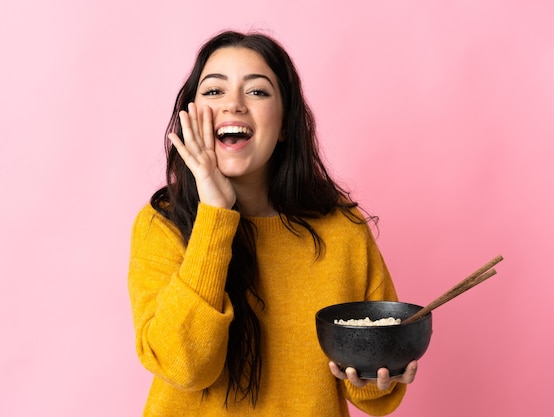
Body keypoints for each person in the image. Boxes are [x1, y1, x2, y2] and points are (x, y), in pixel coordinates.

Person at [127, 30, 418, 416]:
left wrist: (379, 371)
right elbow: (185, 367)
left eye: (258, 92)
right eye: (214, 91)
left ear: (283, 126)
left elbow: (370, 387)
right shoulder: (162, 224)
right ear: (190, 116)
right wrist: (215, 217)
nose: (233, 105)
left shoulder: (341, 228)